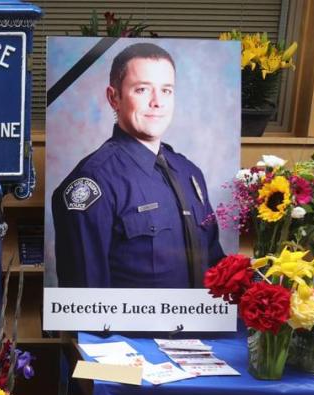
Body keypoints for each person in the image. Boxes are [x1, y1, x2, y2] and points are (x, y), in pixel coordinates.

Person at [52, 42, 225, 288]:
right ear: (114, 98)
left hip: (203, 325)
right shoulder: (93, 183)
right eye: (142, 89)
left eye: (166, 90)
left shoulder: (189, 173)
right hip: (133, 328)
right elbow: (86, 304)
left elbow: (216, 267)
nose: (157, 102)